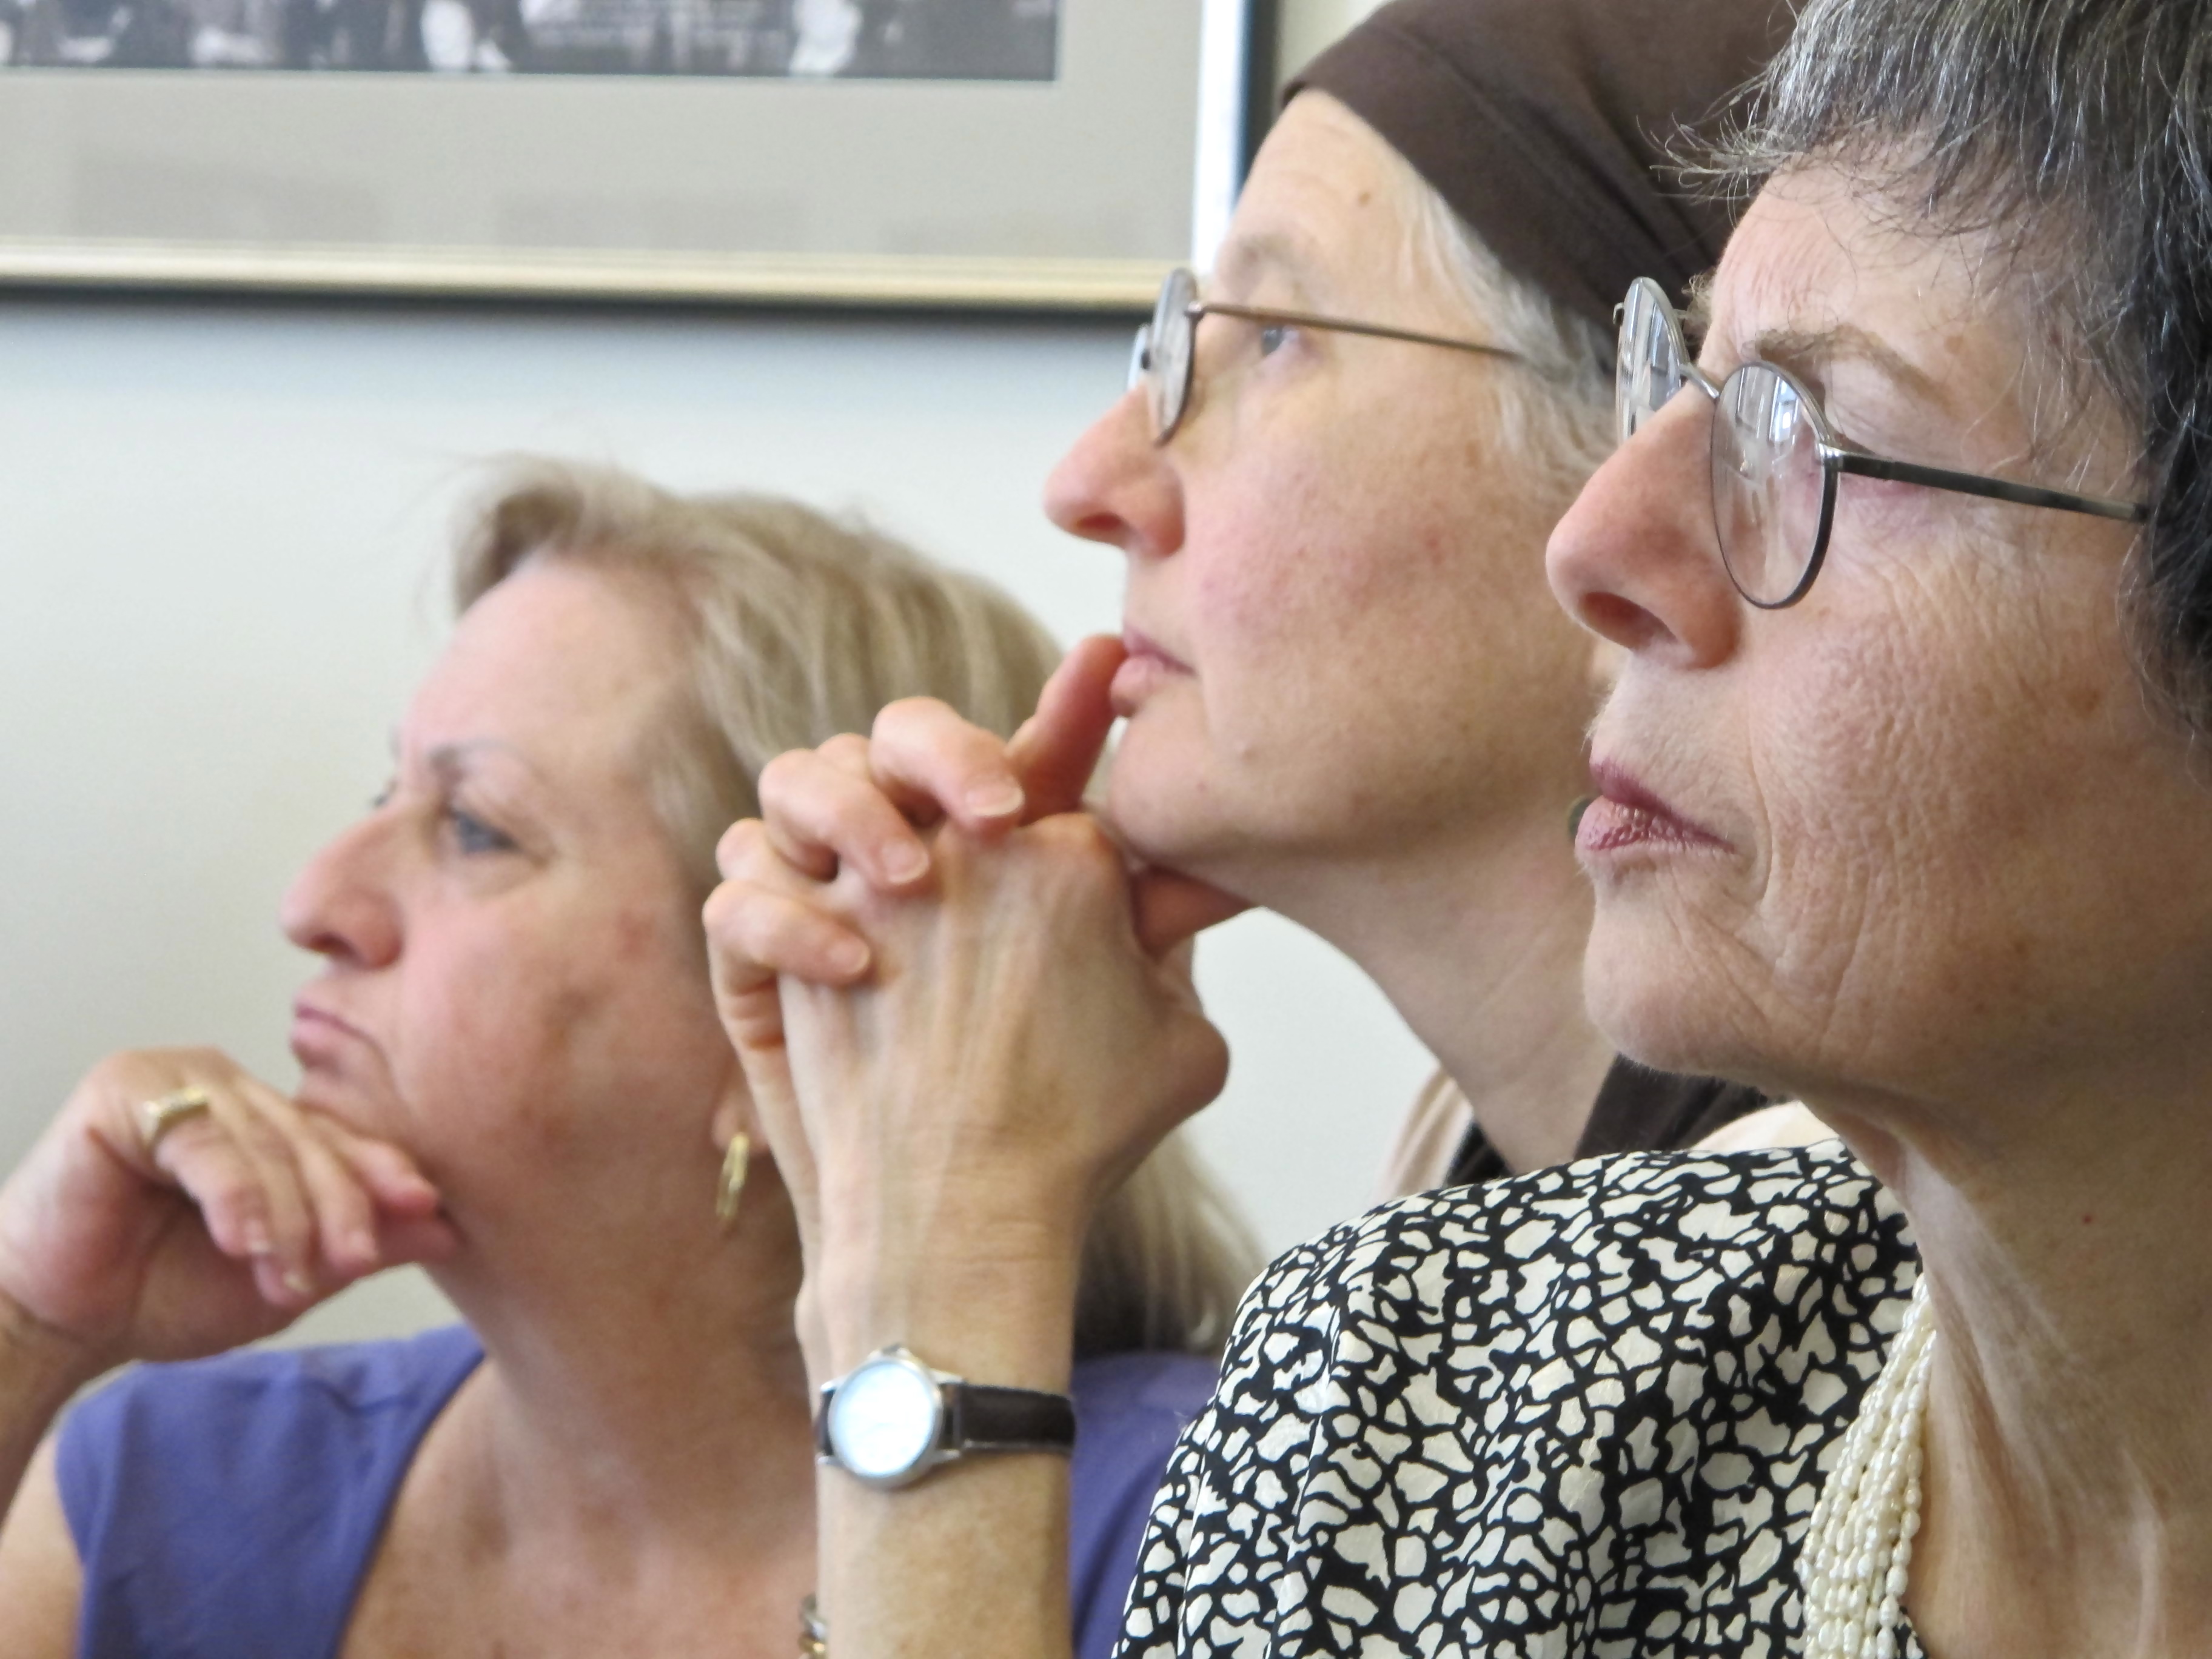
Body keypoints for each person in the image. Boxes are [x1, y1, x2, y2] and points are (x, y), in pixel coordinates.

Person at [712, 0, 2212, 1651]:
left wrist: (938, 1274)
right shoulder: (1420, 1357)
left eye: (1272, 336)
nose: (1607, 538)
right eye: (1686, 388)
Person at [0, 463, 1252, 1658]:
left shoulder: (1216, 1519)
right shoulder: (167, 1498)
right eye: (385, 794)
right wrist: (33, 1319)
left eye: (477, 828)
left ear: (800, 1004)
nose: (316, 901)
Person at [729, 0, 1803, 1212]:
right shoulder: (1478, 1167)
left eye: (1274, 334)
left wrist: (953, 1224)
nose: (1088, 484)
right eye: (1179, 346)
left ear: (1640, 475)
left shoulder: (1840, 1242)